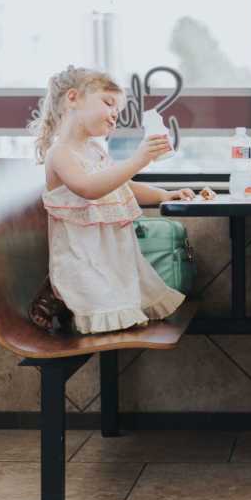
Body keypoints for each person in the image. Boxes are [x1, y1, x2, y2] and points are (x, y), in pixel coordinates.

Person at [29, 65, 195, 334]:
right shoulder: (60, 153)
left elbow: (121, 184)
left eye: (118, 110)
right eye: (108, 103)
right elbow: (89, 188)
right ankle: (58, 295)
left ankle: (63, 297)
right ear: (73, 98)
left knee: (130, 300)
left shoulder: (95, 150)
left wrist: (163, 194)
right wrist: (139, 159)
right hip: (82, 257)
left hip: (110, 256)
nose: (115, 115)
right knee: (109, 309)